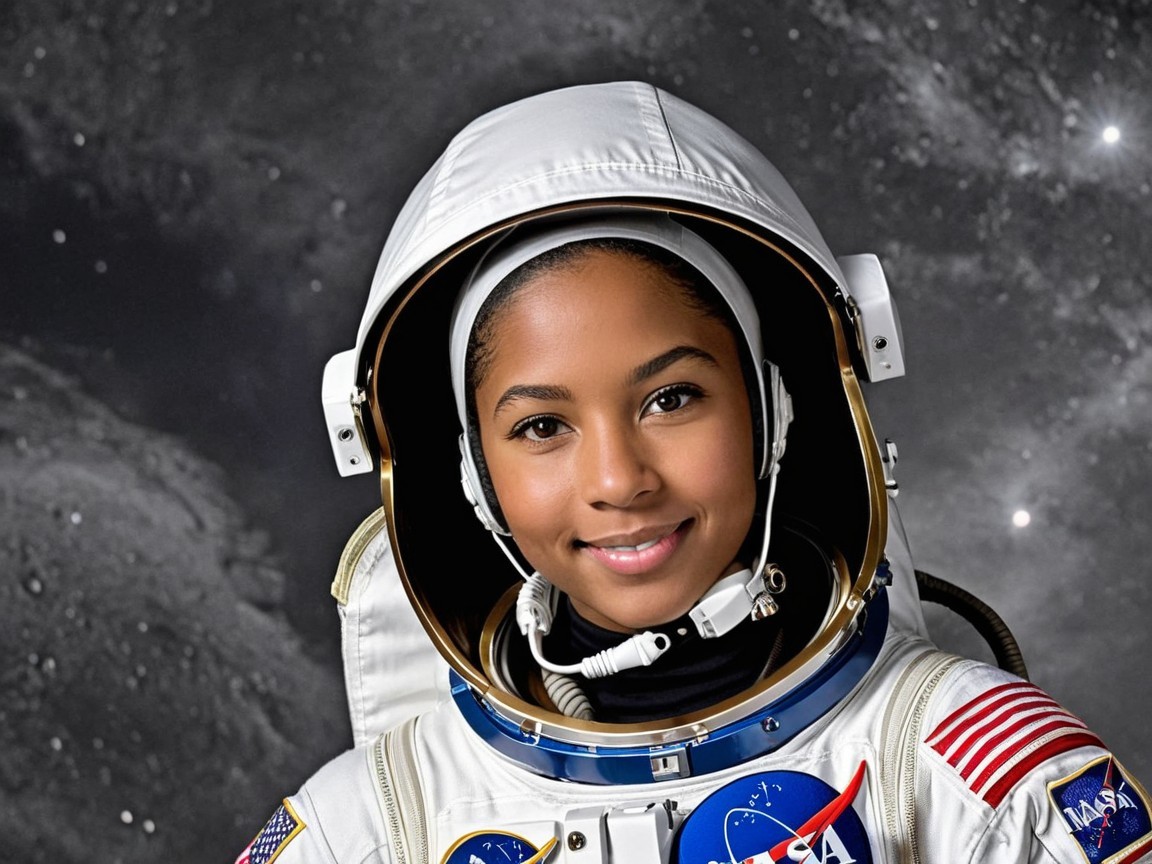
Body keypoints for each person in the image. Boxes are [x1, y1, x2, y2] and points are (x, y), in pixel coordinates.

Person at [237, 82, 1152, 864]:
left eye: (670, 400)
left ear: (773, 413)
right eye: (543, 425)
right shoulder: (363, 829)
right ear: (475, 477)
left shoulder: (981, 777)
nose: (619, 479)